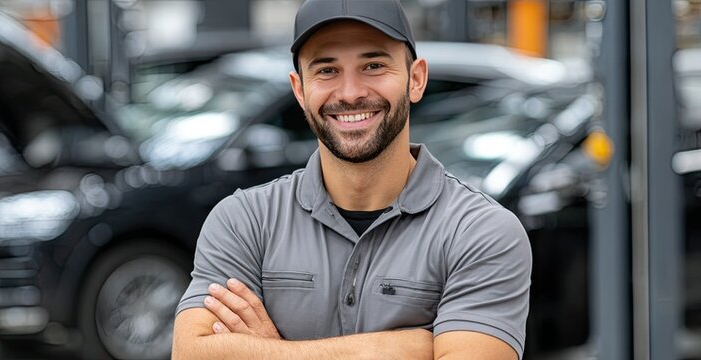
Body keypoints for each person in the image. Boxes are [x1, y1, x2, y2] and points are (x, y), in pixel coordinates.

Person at [172, 0, 532, 359]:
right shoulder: (244, 220)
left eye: (373, 66)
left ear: (416, 79)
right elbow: (192, 352)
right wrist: (392, 349)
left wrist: (267, 351)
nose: (350, 93)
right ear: (300, 90)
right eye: (327, 70)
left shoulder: (481, 231)